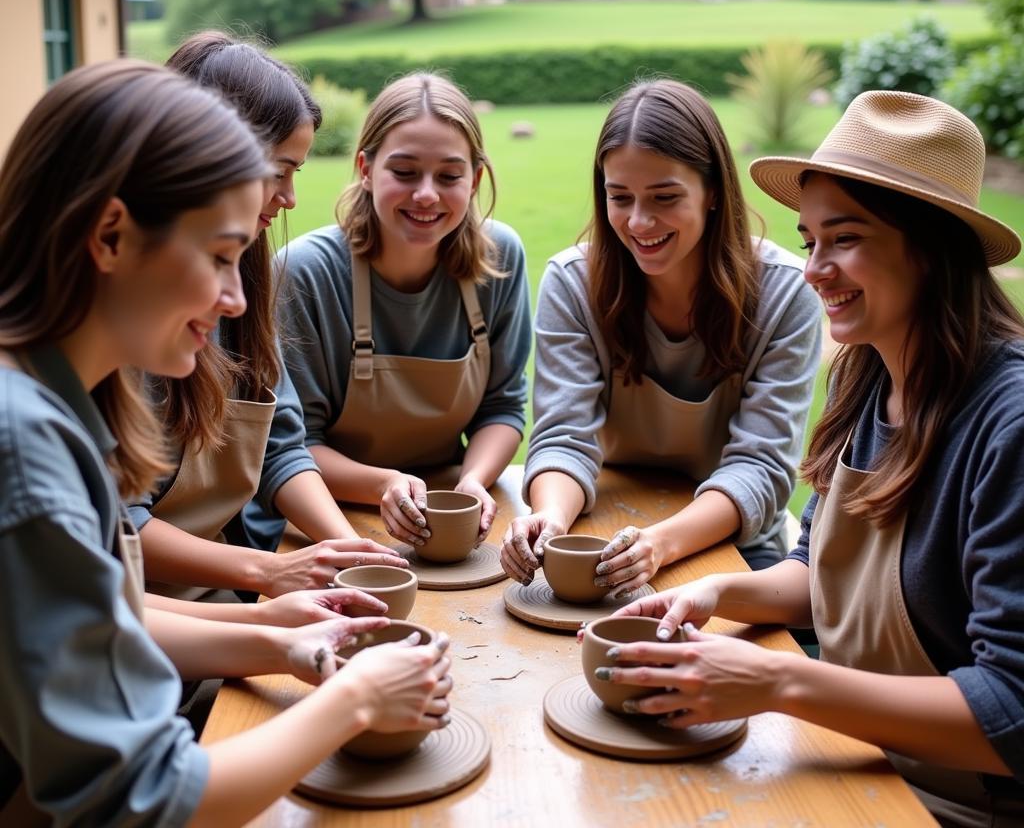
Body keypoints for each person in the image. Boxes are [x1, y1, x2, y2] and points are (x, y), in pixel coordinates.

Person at [0, 60, 450, 826]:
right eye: (218, 257)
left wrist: (279, 635)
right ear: (110, 235)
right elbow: (139, 800)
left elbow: (114, 618)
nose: (238, 297)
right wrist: (353, 699)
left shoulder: (53, 403)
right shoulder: (26, 450)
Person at [609, 90, 1024, 826]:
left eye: (846, 239)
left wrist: (778, 682)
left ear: (930, 247)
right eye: (809, 241)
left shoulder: (1009, 424)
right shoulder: (872, 375)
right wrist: (715, 597)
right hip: (865, 759)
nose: (813, 270)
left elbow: (1013, 714)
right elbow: (823, 574)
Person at [501, 79, 820, 594]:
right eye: (618, 197)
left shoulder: (784, 294)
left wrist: (661, 544)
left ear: (713, 191)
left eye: (664, 197)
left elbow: (761, 468)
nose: (639, 221)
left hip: (731, 542)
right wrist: (551, 518)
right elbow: (564, 435)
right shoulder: (572, 282)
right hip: (599, 522)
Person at [128, 32, 404, 601]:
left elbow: (281, 445)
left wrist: (348, 549)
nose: (290, 197)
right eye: (278, 171)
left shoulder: (248, 272)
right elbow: (115, 528)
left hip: (222, 588)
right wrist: (267, 575)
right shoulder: (118, 318)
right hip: (145, 607)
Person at [276, 72, 532, 548]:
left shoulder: (500, 257)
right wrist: (383, 485)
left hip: (450, 506)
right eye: (405, 172)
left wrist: (473, 482)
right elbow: (293, 445)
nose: (427, 194)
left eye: (450, 176)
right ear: (365, 170)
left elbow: (503, 406)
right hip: (328, 517)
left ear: (475, 180)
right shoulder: (305, 274)